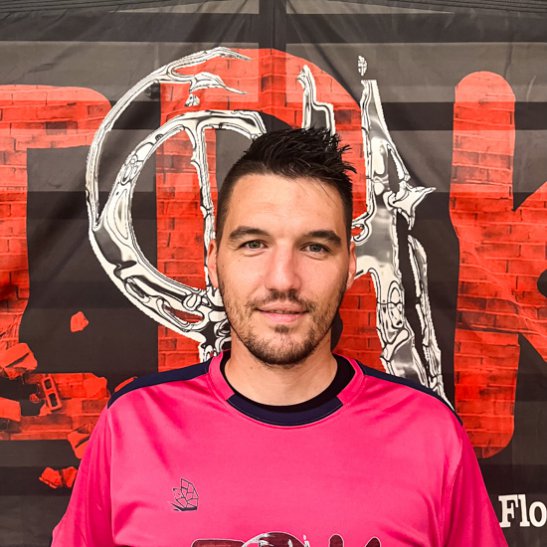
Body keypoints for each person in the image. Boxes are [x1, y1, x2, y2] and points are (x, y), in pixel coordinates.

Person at [52, 128, 506, 546]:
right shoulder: (132, 427)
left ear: (350, 265)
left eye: (315, 247)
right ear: (213, 260)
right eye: (254, 244)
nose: (283, 279)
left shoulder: (429, 434)